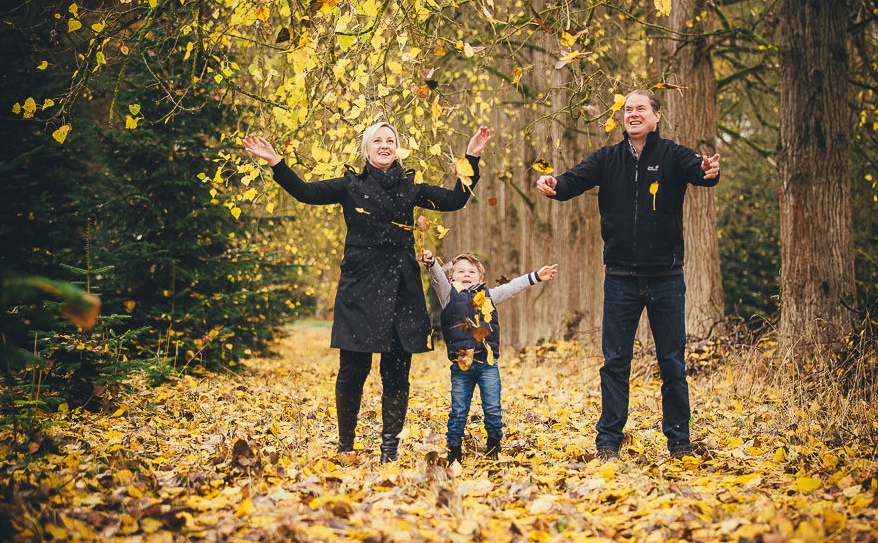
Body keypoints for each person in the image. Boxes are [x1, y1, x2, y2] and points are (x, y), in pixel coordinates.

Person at [244, 122, 491, 462]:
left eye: (391, 140)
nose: (385, 144)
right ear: (367, 149)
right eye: (378, 140)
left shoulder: (412, 188)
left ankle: (389, 450)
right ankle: (346, 447)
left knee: (396, 372)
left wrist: (472, 158)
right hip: (359, 289)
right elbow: (305, 192)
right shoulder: (350, 185)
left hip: (401, 291)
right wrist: (276, 162)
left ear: (398, 149)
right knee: (352, 370)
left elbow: (455, 200)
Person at [535, 90, 720, 458]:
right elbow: (573, 181)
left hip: (666, 277)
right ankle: (608, 442)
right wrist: (553, 184)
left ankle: (679, 442)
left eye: (641, 109)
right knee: (615, 363)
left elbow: (700, 172)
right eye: (628, 109)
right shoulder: (609, 157)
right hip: (620, 278)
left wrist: (708, 170)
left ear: (656, 116)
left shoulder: (673, 154)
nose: (633, 114)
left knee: (672, 362)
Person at [421, 250, 557, 464]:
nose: (466, 274)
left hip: (487, 364)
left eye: (472, 271)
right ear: (451, 278)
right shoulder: (448, 295)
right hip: (461, 366)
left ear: (481, 279)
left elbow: (511, 288)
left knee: (493, 408)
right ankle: (454, 450)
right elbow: (436, 277)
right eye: (460, 271)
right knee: (458, 410)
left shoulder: (489, 296)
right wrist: (431, 263)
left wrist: (536, 276)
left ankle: (493, 447)